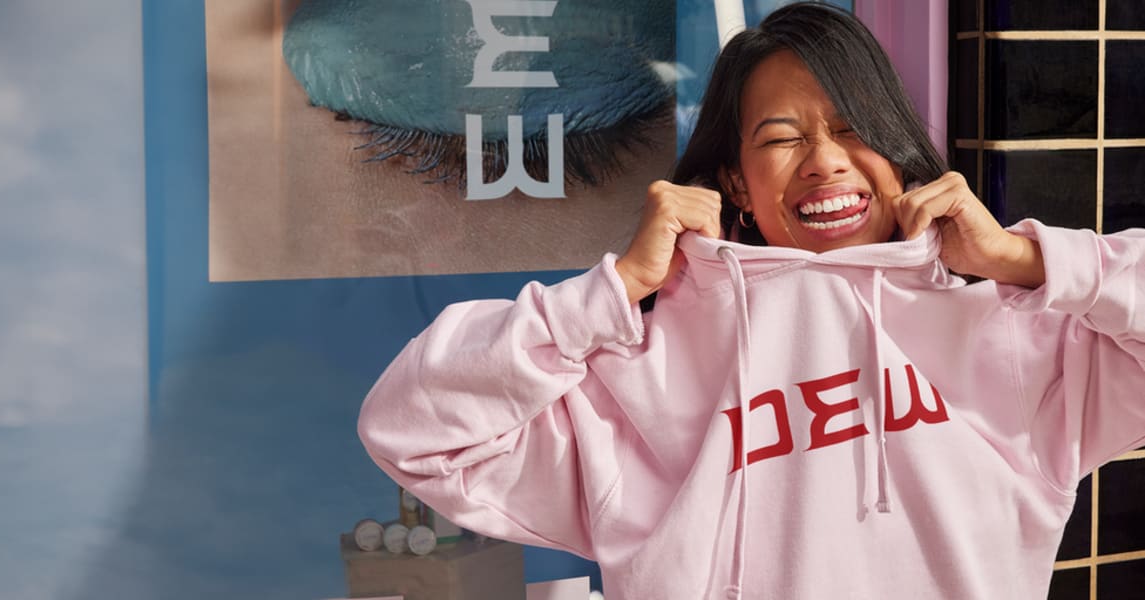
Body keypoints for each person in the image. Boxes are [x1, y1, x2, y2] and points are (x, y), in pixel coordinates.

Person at [358, 3, 1145, 598]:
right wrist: (614, 290)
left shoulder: (1008, 339)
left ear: (897, 151)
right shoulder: (637, 375)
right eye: (780, 138)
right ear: (734, 181)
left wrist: (1019, 258)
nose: (824, 161)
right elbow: (411, 428)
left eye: (853, 129)